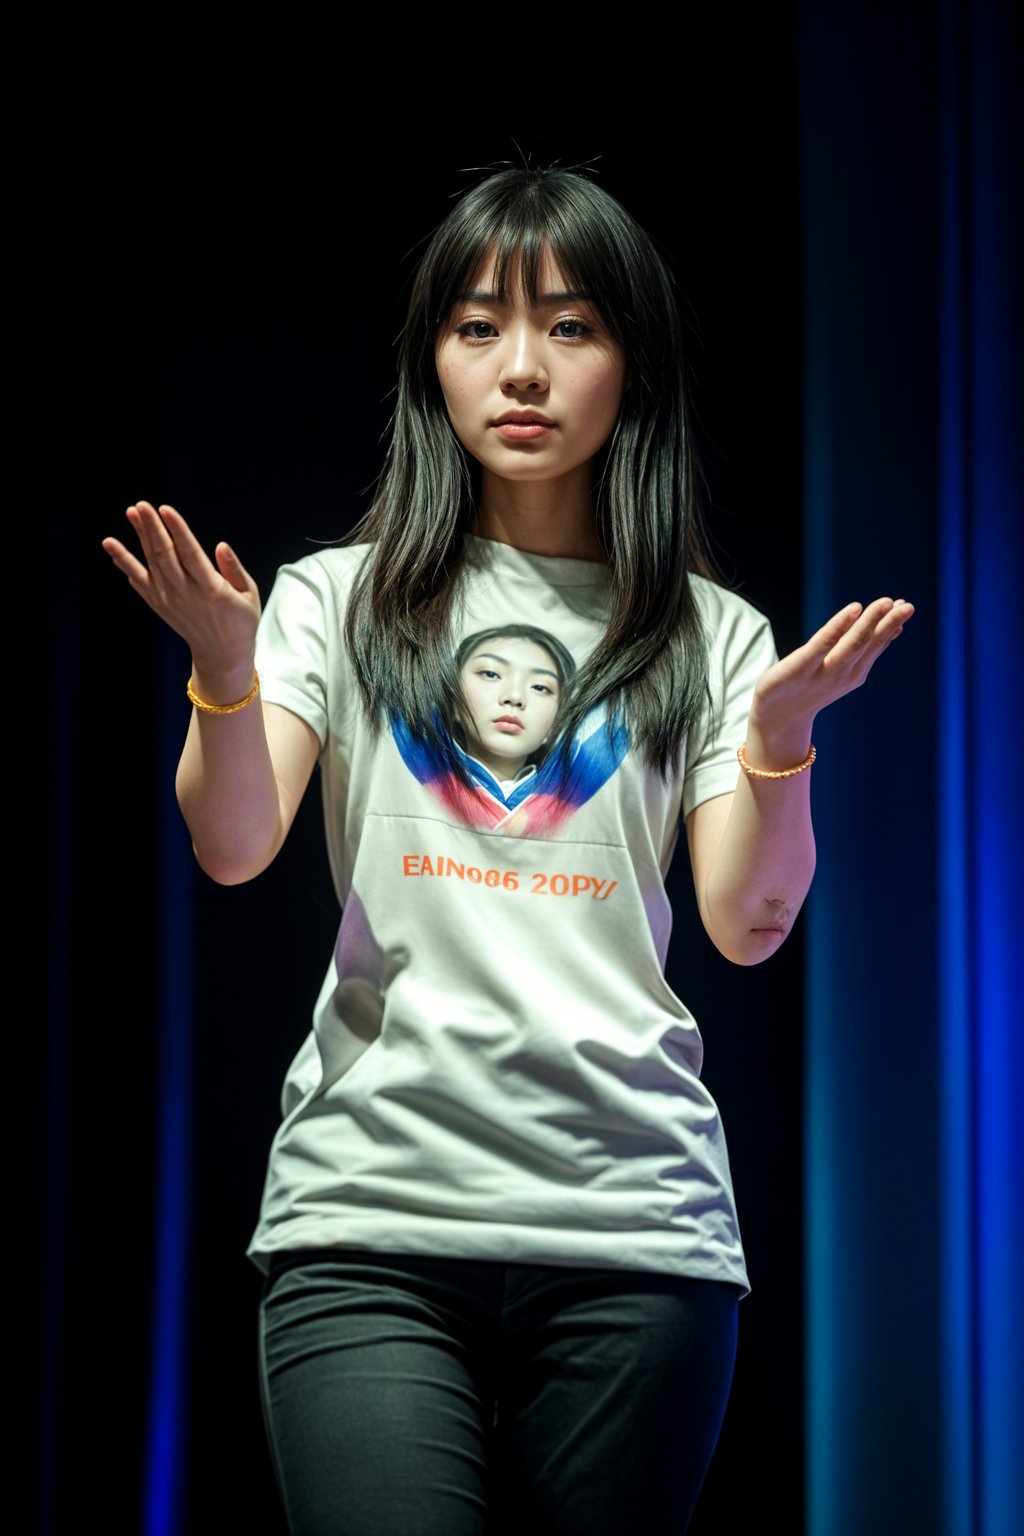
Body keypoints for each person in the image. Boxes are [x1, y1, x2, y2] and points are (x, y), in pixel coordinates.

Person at [102, 163, 914, 1536]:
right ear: (432, 362)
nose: (521, 367)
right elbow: (235, 847)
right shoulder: (336, 597)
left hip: (635, 1239)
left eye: (572, 326)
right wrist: (226, 671)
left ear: (633, 366)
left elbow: (750, 923)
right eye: (479, 326)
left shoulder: (711, 635)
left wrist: (780, 742)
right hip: (369, 1220)